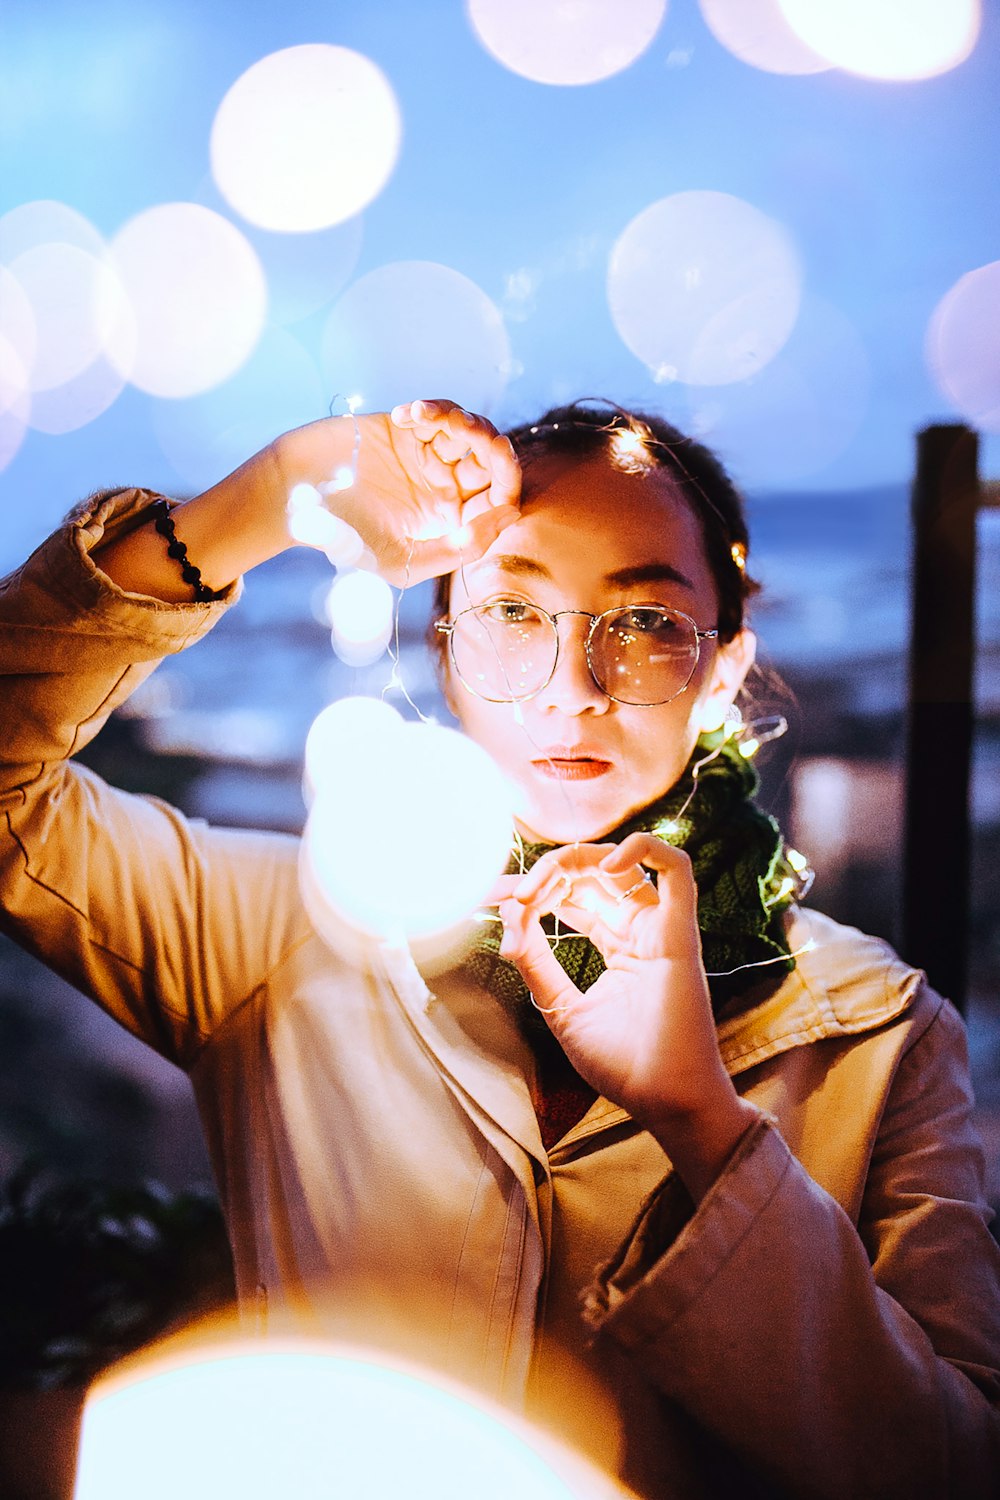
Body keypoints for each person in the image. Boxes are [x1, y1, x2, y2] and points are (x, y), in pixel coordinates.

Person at [1, 397, 998, 1499]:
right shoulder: (286, 933)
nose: (572, 690)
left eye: (646, 622)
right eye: (513, 613)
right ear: (443, 649)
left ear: (722, 668)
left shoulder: (878, 1028)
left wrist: (703, 1123)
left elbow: (952, 1466)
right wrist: (279, 487)